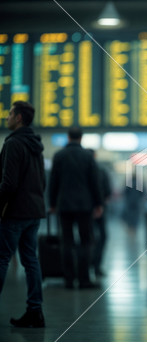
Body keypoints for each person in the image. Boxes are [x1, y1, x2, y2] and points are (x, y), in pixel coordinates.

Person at [0, 101, 46, 327]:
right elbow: (42, 181)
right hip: (34, 212)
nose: (6, 117)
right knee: (31, 260)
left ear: (18, 118)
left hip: (15, 212)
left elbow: (8, 184)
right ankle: (35, 311)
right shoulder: (36, 146)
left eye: (9, 114)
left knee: (1, 258)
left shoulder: (13, 144)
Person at [49, 127, 103, 289]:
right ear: (81, 138)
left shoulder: (59, 156)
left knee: (66, 241)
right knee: (86, 242)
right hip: (84, 205)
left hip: (64, 205)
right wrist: (98, 203)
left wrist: (52, 203)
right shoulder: (87, 156)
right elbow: (95, 182)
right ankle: (84, 279)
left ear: (68, 137)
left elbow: (53, 182)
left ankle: (69, 279)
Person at [88, 149, 112, 277]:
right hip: (100, 210)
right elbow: (108, 191)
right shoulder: (101, 171)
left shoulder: (83, 172)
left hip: (86, 210)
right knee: (102, 237)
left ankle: (87, 264)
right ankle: (96, 265)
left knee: (87, 237)